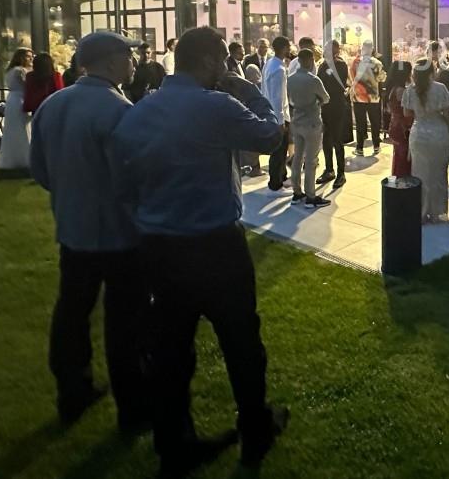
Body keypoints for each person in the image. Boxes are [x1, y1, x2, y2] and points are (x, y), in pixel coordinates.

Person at [112, 27, 288, 474]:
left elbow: (123, 186)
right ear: (211, 62)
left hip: (160, 247)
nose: (226, 70)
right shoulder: (215, 105)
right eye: (224, 62)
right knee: (241, 341)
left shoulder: (138, 113)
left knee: (170, 347)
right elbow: (270, 136)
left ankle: (175, 442)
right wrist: (250, 89)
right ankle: (255, 429)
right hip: (215, 245)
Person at [29, 31, 147, 431]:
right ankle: (133, 407)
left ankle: (72, 393)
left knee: (72, 313)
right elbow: (130, 180)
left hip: (73, 230)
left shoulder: (53, 105)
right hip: (118, 236)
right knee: (125, 321)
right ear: (111, 62)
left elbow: (41, 171)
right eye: (128, 56)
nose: (133, 63)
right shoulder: (118, 110)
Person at [403, 57, 449, 223]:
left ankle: (421, 212)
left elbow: (407, 114)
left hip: (419, 134)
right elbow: (447, 113)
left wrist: (421, 114)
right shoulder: (441, 88)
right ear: (432, 71)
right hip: (439, 133)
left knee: (419, 174)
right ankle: (438, 212)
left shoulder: (410, 90)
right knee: (439, 173)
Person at [287, 47, 332, 208]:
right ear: (308, 60)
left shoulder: (290, 78)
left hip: (297, 120)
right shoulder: (313, 80)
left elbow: (290, 100)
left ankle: (297, 193)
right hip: (311, 122)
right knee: (311, 160)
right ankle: (311, 196)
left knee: (297, 158)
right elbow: (326, 98)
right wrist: (316, 101)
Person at [315, 40, 350, 192]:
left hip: (337, 105)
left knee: (337, 139)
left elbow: (339, 83)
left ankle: (341, 172)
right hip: (325, 106)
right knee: (326, 139)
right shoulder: (322, 64)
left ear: (336, 49)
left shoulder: (340, 64)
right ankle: (329, 169)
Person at [0, 47, 34, 172]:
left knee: (14, 129)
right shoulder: (20, 71)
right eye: (28, 56)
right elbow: (27, 85)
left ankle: (13, 158)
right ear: (22, 57)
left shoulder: (10, 70)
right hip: (20, 100)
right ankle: (25, 159)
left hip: (12, 100)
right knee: (23, 129)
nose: (31, 59)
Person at [263, 36, 293, 191]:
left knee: (280, 149)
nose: (290, 50)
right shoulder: (279, 69)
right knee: (279, 151)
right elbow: (278, 97)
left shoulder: (270, 64)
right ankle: (275, 183)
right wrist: (280, 121)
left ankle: (281, 176)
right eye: (288, 47)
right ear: (283, 48)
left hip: (271, 113)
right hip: (279, 116)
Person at [350, 41, 386, 156]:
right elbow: (382, 78)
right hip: (373, 97)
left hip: (358, 97)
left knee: (360, 123)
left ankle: (359, 148)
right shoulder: (377, 63)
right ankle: (376, 146)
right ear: (372, 49)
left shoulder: (355, 62)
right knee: (375, 122)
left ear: (362, 48)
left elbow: (350, 78)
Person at [386, 61, 413, 179]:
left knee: (398, 156)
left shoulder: (392, 89)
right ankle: (402, 182)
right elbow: (407, 113)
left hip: (395, 125)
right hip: (403, 129)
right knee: (403, 158)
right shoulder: (402, 91)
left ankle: (396, 181)